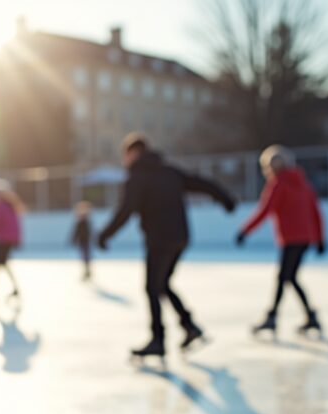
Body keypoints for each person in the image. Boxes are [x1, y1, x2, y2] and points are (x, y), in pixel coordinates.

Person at [97, 133, 237, 359]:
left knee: (153, 288)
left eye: (125, 155)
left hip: (159, 239)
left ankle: (158, 340)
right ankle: (189, 326)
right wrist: (225, 198)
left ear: (133, 153)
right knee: (162, 285)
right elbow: (199, 182)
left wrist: (105, 235)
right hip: (180, 237)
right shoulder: (169, 171)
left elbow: (126, 209)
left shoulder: (138, 176)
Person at [236, 145, 325, 335]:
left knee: (284, 277)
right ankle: (309, 316)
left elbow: (265, 211)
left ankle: (273, 318)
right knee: (289, 277)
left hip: (292, 239)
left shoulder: (279, 183)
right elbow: (316, 213)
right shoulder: (303, 183)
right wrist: (319, 239)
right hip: (304, 239)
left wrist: (245, 231)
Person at [70, 201, 94, 281]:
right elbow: (76, 232)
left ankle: (87, 271)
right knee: (84, 256)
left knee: (86, 256)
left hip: (85, 241)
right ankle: (86, 271)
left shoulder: (86, 222)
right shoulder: (79, 222)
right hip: (81, 242)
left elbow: (89, 232)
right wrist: (73, 239)